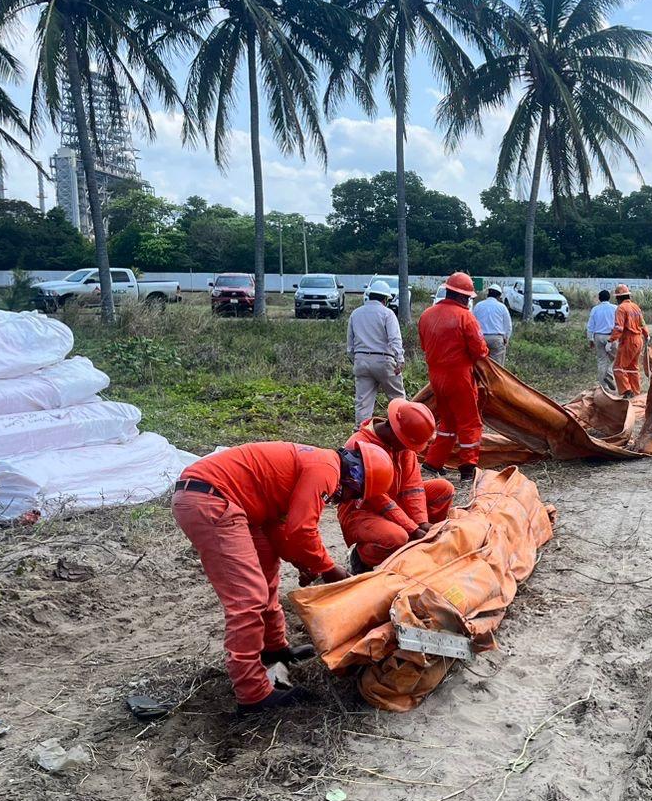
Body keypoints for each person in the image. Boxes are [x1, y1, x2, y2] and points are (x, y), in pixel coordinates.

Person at [173, 440, 393, 711]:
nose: (343, 500)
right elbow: (302, 529)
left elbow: (283, 530)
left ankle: (274, 648)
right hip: (212, 500)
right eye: (352, 495)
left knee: (267, 573)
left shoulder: (318, 465)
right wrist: (329, 569)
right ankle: (252, 693)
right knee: (247, 599)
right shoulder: (326, 469)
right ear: (356, 477)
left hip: (234, 503)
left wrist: (306, 564)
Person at [340, 399, 455, 571]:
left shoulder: (403, 444)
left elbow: (412, 486)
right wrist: (411, 528)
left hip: (393, 502)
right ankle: (362, 558)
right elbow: (378, 499)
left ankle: (419, 547)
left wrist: (422, 523)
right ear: (392, 429)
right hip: (362, 510)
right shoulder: (358, 447)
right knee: (397, 537)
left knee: (443, 490)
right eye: (407, 444)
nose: (409, 449)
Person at [418, 271, 490, 506]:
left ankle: (433, 462)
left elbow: (424, 346)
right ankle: (468, 467)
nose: (468, 301)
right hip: (459, 376)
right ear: (462, 297)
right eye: (467, 297)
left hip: (436, 377)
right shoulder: (465, 317)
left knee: (448, 422)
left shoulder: (426, 315)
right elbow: (479, 351)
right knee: (470, 422)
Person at [347, 279, 405, 425]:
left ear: (370, 295)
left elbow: (350, 345)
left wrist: (356, 360)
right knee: (397, 399)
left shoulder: (355, 314)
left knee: (363, 404)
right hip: (384, 361)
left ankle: (361, 432)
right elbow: (394, 339)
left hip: (361, 360)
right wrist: (399, 360)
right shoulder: (388, 314)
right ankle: (401, 428)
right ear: (385, 299)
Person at [607, 283, 647, 398]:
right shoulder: (635, 307)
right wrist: (646, 334)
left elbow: (619, 328)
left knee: (618, 367)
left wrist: (611, 340)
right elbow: (642, 323)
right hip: (639, 340)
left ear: (619, 297)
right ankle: (635, 391)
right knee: (632, 368)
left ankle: (627, 391)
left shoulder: (621, 308)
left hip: (628, 341)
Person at [473, 284, 513, 367]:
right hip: (496, 339)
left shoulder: (478, 305)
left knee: (480, 366)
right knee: (496, 368)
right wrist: (506, 338)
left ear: (488, 294)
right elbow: (508, 325)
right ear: (499, 296)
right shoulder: (502, 307)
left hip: (481, 339)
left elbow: (472, 323)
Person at [586, 288, 617, 390]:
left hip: (598, 336)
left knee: (601, 360)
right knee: (616, 357)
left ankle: (604, 387)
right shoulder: (615, 308)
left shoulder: (595, 309)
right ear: (609, 298)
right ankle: (609, 373)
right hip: (611, 336)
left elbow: (590, 325)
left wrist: (590, 339)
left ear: (599, 298)